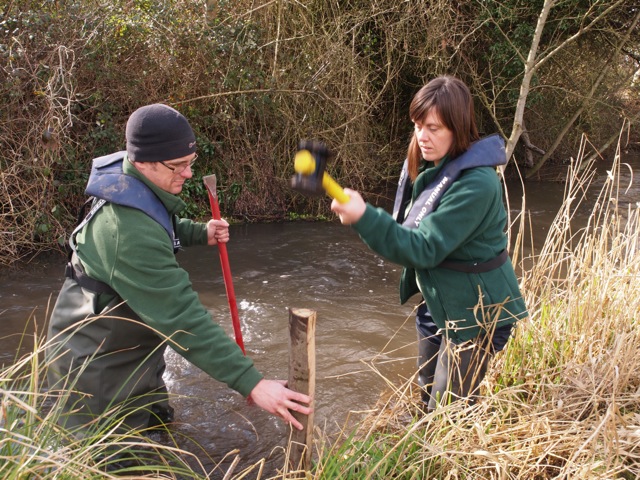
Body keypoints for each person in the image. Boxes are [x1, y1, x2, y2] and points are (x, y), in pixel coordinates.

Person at [46, 103, 311, 432]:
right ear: (143, 161)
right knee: (118, 461)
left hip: (132, 351)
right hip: (97, 372)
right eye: (177, 166)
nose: (187, 174)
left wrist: (199, 232)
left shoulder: (136, 179)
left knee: (159, 430)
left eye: (190, 163)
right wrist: (253, 384)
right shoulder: (125, 232)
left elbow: (158, 218)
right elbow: (182, 318)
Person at [331, 76, 528, 411]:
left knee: (447, 410)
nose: (423, 136)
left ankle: (449, 456)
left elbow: (421, 247)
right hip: (438, 304)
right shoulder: (431, 167)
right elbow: (407, 235)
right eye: (418, 125)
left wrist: (363, 216)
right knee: (427, 396)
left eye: (434, 128)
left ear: (458, 128)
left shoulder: (477, 184)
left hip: (477, 316)